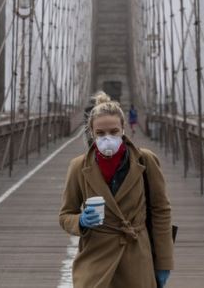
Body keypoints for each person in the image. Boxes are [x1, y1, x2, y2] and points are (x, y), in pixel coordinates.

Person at [59, 91, 174, 288]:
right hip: (95, 260)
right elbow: (65, 215)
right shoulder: (78, 167)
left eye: (113, 132)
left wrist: (164, 262)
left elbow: (161, 211)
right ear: (91, 133)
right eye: (100, 133)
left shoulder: (145, 161)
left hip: (136, 259)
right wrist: (81, 221)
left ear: (123, 129)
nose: (107, 138)